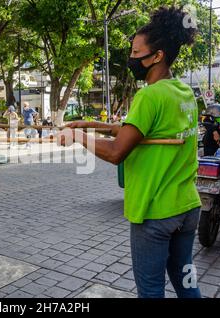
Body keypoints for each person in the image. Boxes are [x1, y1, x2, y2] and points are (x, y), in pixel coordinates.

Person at [58, 6, 201, 298]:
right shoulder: (183, 92)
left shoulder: (149, 95)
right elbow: (138, 131)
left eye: (137, 53)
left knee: (150, 290)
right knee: (185, 280)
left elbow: (116, 152)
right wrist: (92, 124)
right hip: (187, 208)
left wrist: (77, 136)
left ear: (157, 55)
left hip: (155, 212)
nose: (131, 59)